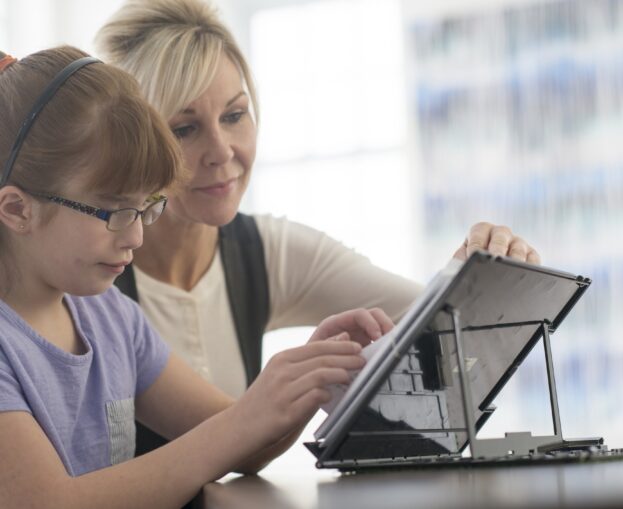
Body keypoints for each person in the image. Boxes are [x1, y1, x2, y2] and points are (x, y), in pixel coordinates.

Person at [0, 46, 394, 508]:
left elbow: (243, 444)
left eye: (147, 207)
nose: (135, 237)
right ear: (17, 209)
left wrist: (303, 381)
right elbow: (50, 503)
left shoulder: (111, 318)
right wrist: (249, 415)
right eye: (115, 211)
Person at [94, 0, 541, 404]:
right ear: (136, 143)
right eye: (183, 129)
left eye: (234, 116)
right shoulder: (90, 275)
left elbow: (446, 329)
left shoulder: (266, 252)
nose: (223, 151)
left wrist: (482, 272)